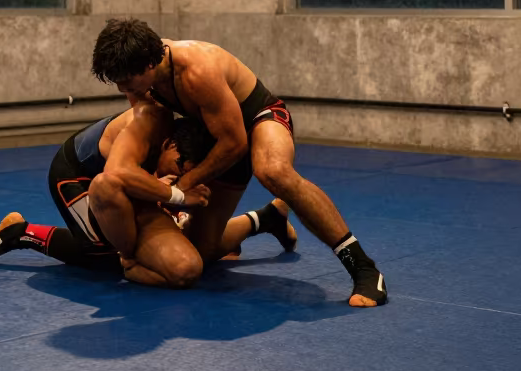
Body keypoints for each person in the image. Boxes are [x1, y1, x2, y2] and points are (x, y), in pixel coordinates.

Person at [90, 19, 387, 307]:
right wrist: (159, 187)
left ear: (149, 64)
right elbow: (152, 136)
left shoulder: (196, 70)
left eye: (126, 80)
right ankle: (266, 219)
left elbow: (235, 144)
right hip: (217, 137)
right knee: (197, 253)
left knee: (273, 171)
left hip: (258, 119)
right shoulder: (140, 81)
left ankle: (363, 267)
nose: (122, 88)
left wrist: (182, 188)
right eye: (116, 81)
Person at [0, 105, 295, 288]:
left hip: (122, 181)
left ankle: (265, 218)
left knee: (191, 245)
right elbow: (117, 180)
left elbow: (158, 187)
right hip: (76, 178)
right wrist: (178, 199)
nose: (183, 176)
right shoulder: (142, 130)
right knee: (107, 255)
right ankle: (24, 233)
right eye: (180, 167)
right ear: (169, 145)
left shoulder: (178, 140)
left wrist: (182, 195)